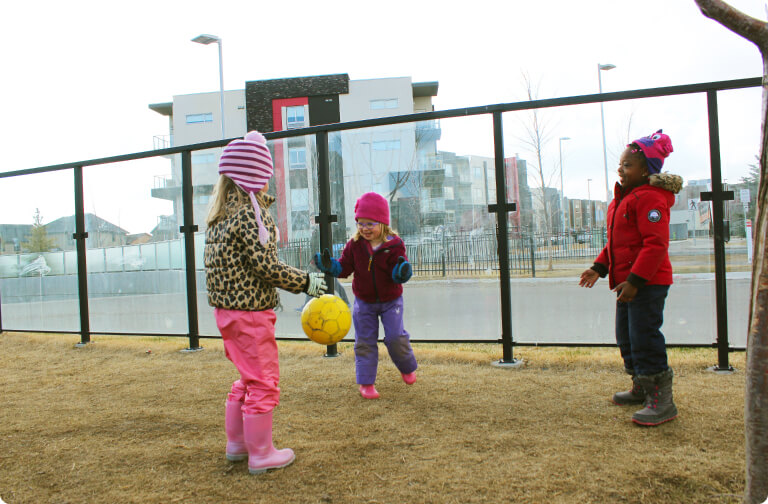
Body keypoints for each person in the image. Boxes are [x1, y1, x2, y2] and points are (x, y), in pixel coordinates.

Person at [204, 131, 327, 474]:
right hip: (250, 315)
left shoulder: (218, 218)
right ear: (256, 177)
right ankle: (261, 454)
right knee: (264, 382)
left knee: (246, 378)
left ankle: (238, 445)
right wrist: (305, 282)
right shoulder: (250, 216)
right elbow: (266, 266)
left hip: (226, 313)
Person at [579, 130, 682, 427]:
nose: (621, 170)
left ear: (646, 169)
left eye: (627, 165)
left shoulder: (650, 198)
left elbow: (655, 245)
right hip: (628, 284)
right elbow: (616, 244)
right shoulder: (622, 200)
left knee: (645, 337)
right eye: (620, 165)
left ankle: (661, 399)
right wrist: (599, 268)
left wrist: (636, 281)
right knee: (626, 336)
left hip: (647, 283)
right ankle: (640, 386)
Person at [314, 192, 417, 399]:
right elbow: (343, 268)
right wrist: (330, 266)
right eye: (360, 223)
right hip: (364, 302)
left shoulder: (395, 245)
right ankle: (366, 383)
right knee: (364, 342)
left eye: (370, 224)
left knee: (395, 337)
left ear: (383, 223)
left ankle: (406, 366)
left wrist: (401, 273)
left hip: (391, 301)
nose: (364, 228)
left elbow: (400, 271)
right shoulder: (354, 245)